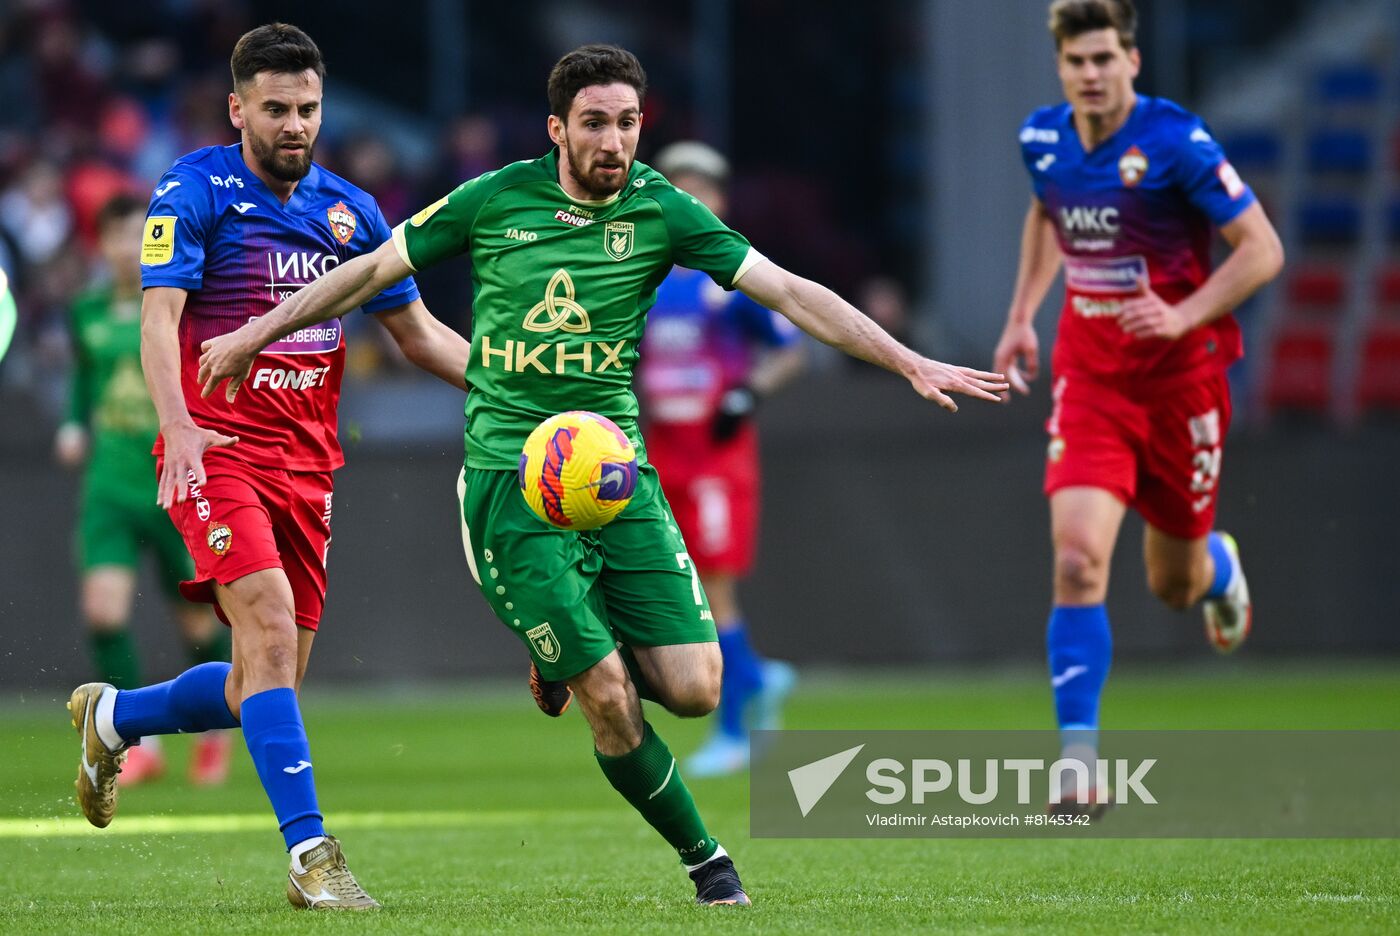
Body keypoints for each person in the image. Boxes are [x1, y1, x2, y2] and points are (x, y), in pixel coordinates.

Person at [197, 44, 1007, 907]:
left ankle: (581, 649)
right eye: (594, 124)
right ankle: (710, 866)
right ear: (557, 129)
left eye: (627, 123)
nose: (614, 141)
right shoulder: (496, 198)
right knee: (612, 698)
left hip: (615, 478)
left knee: (696, 689)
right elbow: (368, 272)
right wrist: (255, 333)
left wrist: (906, 359)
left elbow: (790, 292)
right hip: (513, 483)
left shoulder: (664, 210)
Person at [64, 23, 471, 910]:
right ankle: (313, 859)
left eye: (309, 108)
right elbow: (158, 319)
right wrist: (176, 428)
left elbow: (420, 336)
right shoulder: (195, 188)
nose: (295, 124)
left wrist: (515, 385)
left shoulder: (353, 213)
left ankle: (113, 717)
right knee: (272, 634)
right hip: (215, 451)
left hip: (308, 466)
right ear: (238, 107)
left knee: (263, 680)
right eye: (277, 108)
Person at [993, 0, 1283, 814]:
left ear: (1132, 61)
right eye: (1076, 62)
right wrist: (1021, 316)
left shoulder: (1175, 142)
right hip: (1091, 383)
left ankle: (1217, 566)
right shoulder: (1043, 139)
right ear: (1061, 67)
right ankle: (1078, 765)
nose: (1090, 75)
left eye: (1104, 60)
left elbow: (1263, 249)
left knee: (1173, 586)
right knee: (1079, 561)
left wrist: (1186, 314)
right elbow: (1048, 212)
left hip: (1182, 384)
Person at [637, 141, 804, 778]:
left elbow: (789, 350)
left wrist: (748, 390)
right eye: (677, 188)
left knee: (713, 591)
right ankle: (758, 677)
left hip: (716, 456)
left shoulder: (730, 277)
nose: (688, 200)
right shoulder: (645, 278)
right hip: (656, 455)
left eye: (699, 190)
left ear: (718, 200)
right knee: (686, 587)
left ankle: (736, 728)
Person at [55, 194, 233, 787]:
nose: (126, 249)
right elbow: (85, 377)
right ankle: (139, 743)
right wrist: (74, 422)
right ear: (100, 244)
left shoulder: (175, 302)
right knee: (102, 610)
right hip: (110, 480)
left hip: (172, 474)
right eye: (115, 236)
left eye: (138, 236)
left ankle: (214, 732)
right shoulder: (84, 311)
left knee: (198, 624)